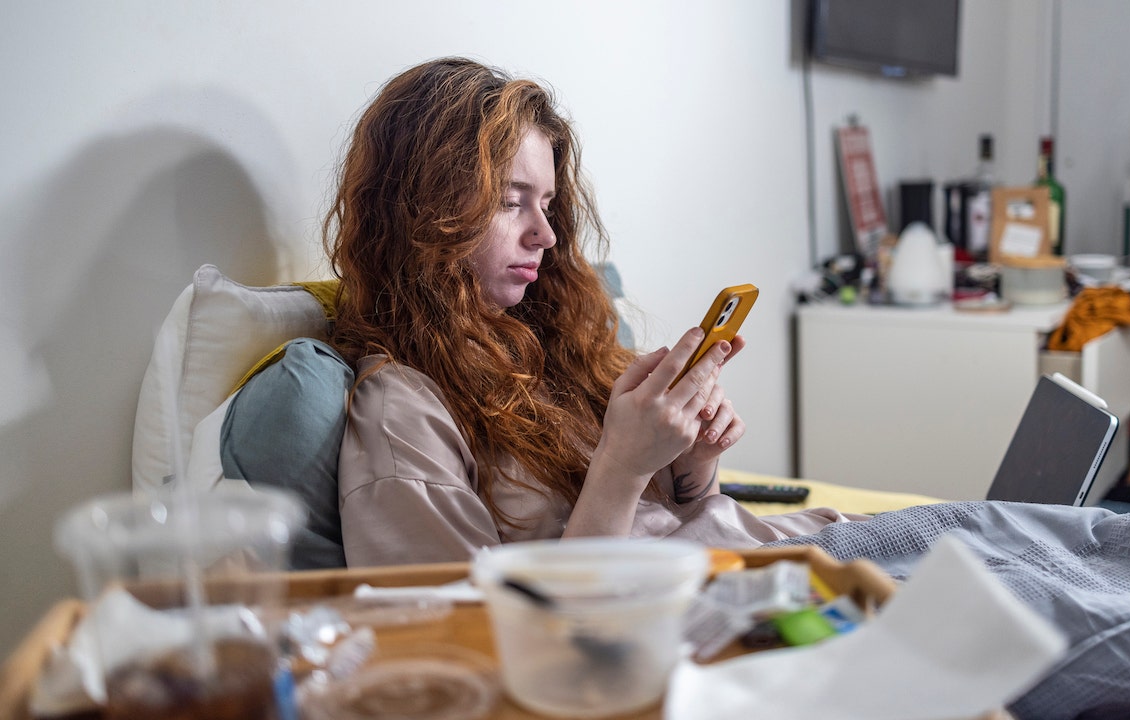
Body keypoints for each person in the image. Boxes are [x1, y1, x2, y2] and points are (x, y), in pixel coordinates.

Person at [325, 58, 852, 567]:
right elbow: (473, 632)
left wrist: (692, 465)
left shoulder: (548, 341)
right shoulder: (402, 414)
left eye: (548, 205)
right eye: (511, 202)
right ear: (421, 211)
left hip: (781, 553)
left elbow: (686, 519)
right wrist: (622, 466)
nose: (546, 236)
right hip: (699, 606)